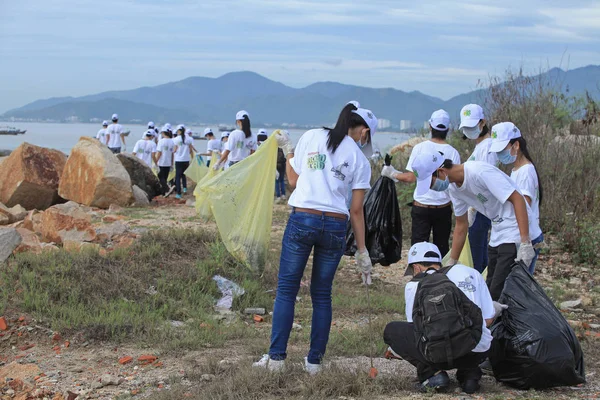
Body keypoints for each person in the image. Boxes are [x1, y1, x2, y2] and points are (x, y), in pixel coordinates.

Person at [253, 107, 377, 374]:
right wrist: (362, 251)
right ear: (364, 132)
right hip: (334, 225)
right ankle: (314, 363)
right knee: (321, 295)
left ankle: (276, 360)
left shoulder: (311, 137)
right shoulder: (359, 159)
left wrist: (287, 150)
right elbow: (356, 211)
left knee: (287, 290)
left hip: (303, 219)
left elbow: (293, 180)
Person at [406, 148, 540, 301]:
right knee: (489, 289)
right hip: (498, 231)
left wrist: (525, 241)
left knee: (502, 292)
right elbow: (461, 225)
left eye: (430, 183)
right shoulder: (454, 188)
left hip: (518, 229)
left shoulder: (478, 172)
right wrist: (452, 263)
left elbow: (517, 198)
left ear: (441, 171)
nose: (431, 188)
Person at [383, 242, 498, 394]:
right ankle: (469, 375)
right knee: (471, 333)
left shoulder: (415, 284)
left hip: (440, 355)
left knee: (391, 330)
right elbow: (488, 319)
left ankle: (432, 375)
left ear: (416, 267)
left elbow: (417, 329)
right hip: (477, 352)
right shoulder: (471, 273)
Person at [381, 109, 461, 257]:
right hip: (443, 208)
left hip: (422, 207)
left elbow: (411, 177)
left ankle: (417, 279)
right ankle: (439, 279)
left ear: (430, 127)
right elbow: (455, 182)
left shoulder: (420, 148)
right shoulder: (453, 152)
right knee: (441, 251)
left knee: (418, 250)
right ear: (448, 129)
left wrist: (392, 173)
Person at [489, 122, 544, 274]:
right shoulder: (516, 170)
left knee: (518, 287)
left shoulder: (525, 172)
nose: (500, 155)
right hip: (519, 234)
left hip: (524, 236)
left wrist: (524, 242)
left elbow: (523, 206)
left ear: (516, 145)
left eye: (503, 150)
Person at [460, 104, 498, 274]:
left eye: (471, 126)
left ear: (482, 122)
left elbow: (486, 182)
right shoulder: (479, 146)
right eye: (466, 128)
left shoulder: (488, 148)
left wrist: (474, 207)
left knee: (477, 254)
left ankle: (480, 287)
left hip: (481, 210)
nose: (469, 131)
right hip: (476, 208)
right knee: (476, 250)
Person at [172, 125, 195, 199]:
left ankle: (178, 193)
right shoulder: (189, 139)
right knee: (184, 174)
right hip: (186, 159)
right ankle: (185, 188)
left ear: (179, 131)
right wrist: (192, 158)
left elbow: (175, 150)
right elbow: (191, 150)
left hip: (178, 160)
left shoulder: (176, 139)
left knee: (178, 177)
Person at [155, 129, 175, 197]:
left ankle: (167, 189)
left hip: (162, 162)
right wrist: (172, 163)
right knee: (165, 178)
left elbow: (159, 153)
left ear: (163, 133)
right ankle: (164, 193)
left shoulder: (161, 141)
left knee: (160, 176)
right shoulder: (172, 141)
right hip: (168, 162)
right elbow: (172, 154)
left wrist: (155, 161)